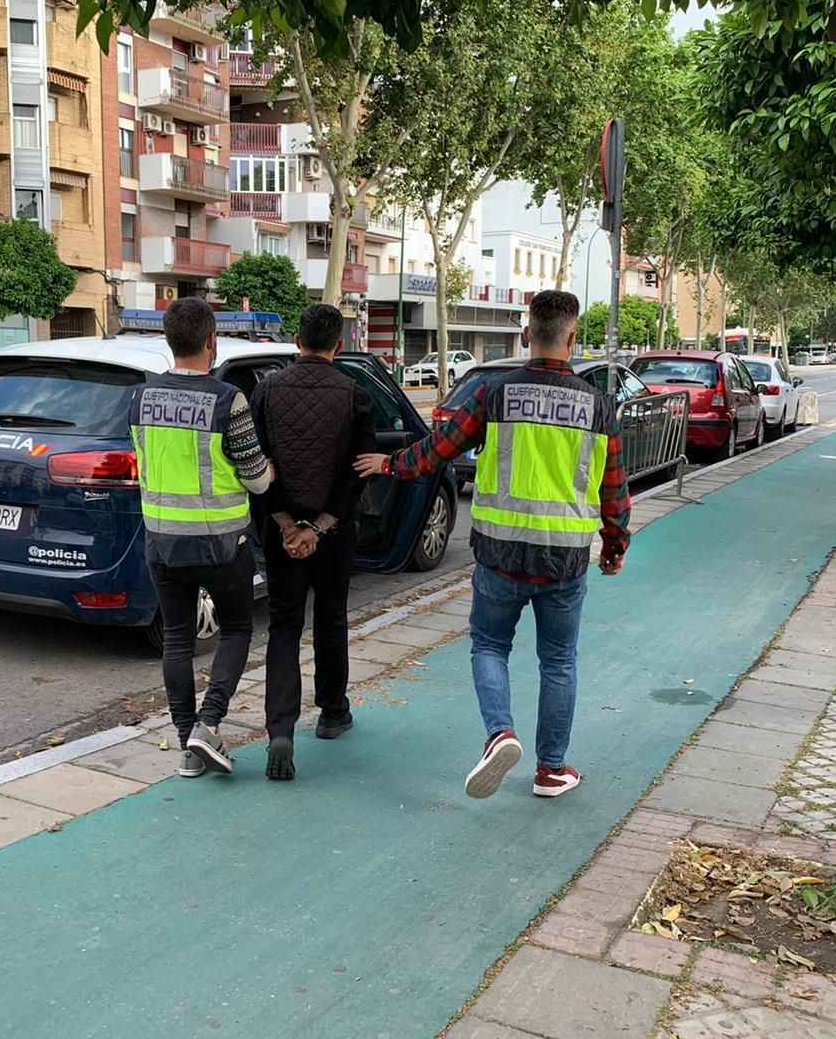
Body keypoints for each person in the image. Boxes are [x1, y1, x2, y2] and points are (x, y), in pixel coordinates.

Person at [354, 290, 631, 800]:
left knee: (489, 645)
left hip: (499, 553)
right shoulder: (598, 405)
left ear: (528, 335)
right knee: (559, 660)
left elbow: (439, 451)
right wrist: (615, 543)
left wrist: (391, 464)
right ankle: (551, 770)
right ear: (572, 339)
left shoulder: (495, 393)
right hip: (565, 559)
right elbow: (613, 485)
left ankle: (500, 733)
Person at [130, 298, 273, 778]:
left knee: (177, 639)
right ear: (211, 342)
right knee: (237, 629)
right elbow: (255, 478)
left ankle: (187, 746)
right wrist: (269, 472)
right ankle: (208, 723)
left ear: (169, 342)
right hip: (220, 543)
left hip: (162, 541)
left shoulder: (140, 399)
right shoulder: (227, 400)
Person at [250, 303, 377, 780]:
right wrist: (321, 525)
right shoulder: (355, 394)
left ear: (297, 341)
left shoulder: (265, 391)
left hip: (280, 529)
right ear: (338, 346)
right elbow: (359, 470)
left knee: (284, 626)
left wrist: (286, 523)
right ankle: (332, 711)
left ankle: (280, 728)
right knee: (330, 617)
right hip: (336, 530)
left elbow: (255, 467)